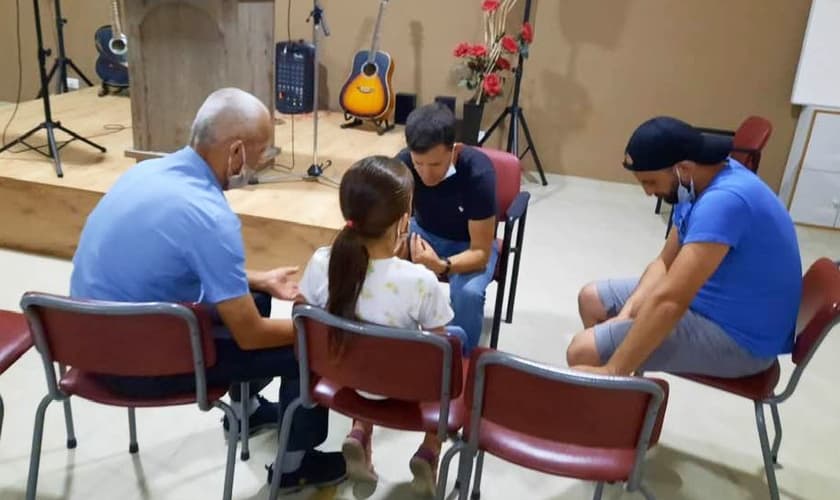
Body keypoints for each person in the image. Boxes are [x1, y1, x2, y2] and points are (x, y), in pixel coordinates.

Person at [69, 87, 345, 490]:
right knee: (305, 351)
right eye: (263, 152)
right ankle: (293, 467)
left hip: (83, 342)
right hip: (136, 368)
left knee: (257, 297)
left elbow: (176, 259)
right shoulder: (209, 215)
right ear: (236, 152)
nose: (264, 162)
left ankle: (248, 412)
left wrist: (257, 279)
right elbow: (250, 335)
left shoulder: (148, 172)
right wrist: (326, 325)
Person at [567, 116, 802, 378]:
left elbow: (671, 301)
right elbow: (664, 263)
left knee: (583, 350)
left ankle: (614, 395)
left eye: (651, 182)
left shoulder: (723, 202)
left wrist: (615, 369)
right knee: (590, 299)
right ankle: (617, 395)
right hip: (710, 301)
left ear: (683, 168)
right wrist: (628, 313)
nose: (647, 192)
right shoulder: (694, 183)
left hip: (740, 339)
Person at [298, 155, 466, 495]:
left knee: (368, 343)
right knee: (454, 341)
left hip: (345, 374)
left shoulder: (322, 262)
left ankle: (359, 430)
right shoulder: (420, 280)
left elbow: (305, 314)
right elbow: (438, 352)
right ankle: (430, 449)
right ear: (404, 220)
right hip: (404, 387)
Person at [394, 103, 498, 353]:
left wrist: (442, 266)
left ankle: (461, 363)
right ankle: (396, 346)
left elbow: (481, 252)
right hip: (423, 232)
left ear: (455, 150)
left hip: (468, 243)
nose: (426, 174)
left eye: (435, 164)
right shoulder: (403, 163)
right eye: (419, 164)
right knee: (383, 270)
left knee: (469, 294)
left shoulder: (478, 173)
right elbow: (397, 218)